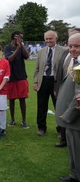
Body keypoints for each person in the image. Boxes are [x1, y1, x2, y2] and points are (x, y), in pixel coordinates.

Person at [56, 33, 80, 182]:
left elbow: (78, 95)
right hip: (73, 117)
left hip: (75, 118)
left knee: (76, 149)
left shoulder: (79, 65)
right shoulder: (74, 61)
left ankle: (75, 176)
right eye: (70, 46)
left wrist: (68, 116)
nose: (72, 49)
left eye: (76, 46)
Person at [33, 30, 66, 136]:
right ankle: (41, 128)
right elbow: (37, 68)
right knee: (41, 106)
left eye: (50, 38)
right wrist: (35, 81)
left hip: (56, 82)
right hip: (43, 81)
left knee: (59, 106)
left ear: (56, 39)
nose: (48, 40)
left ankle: (60, 129)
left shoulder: (64, 51)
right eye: (46, 38)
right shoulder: (41, 51)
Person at [4, 31, 30, 129]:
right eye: (18, 37)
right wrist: (17, 48)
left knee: (22, 99)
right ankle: (12, 119)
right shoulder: (7, 47)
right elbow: (9, 59)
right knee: (11, 100)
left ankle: (24, 120)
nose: (20, 39)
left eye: (21, 37)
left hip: (21, 76)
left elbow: (27, 57)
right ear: (13, 38)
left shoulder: (22, 47)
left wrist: (21, 46)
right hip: (11, 77)